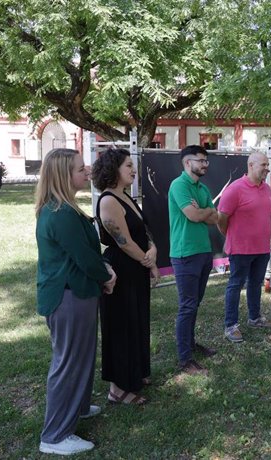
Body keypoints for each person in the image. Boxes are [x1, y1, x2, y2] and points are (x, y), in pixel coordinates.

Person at [35, 148, 117, 455]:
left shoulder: (62, 208)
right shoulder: (61, 213)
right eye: (81, 169)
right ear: (63, 175)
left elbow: (84, 253)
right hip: (68, 296)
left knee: (80, 356)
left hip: (76, 292)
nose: (87, 172)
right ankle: (55, 436)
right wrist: (106, 275)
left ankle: (77, 407)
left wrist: (101, 271)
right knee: (68, 362)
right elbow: (85, 257)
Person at [92, 148, 159, 405]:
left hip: (136, 266)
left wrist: (152, 251)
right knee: (121, 326)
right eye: (128, 165)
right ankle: (117, 388)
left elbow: (143, 230)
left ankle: (135, 373)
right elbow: (124, 242)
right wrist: (148, 259)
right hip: (121, 269)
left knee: (137, 322)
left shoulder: (126, 196)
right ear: (114, 170)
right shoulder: (109, 200)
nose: (133, 169)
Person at [168, 145, 219, 375]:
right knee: (187, 306)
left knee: (194, 304)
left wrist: (205, 211)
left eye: (207, 161)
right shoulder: (179, 185)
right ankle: (185, 360)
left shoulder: (202, 188)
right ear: (187, 163)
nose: (205, 165)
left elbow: (213, 217)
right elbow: (193, 215)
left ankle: (190, 344)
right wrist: (204, 212)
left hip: (203, 252)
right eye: (201, 160)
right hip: (185, 254)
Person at [217, 153, 271, 342]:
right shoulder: (235, 189)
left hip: (262, 248)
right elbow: (221, 219)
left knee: (256, 284)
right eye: (263, 164)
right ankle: (230, 326)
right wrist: (232, 236)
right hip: (240, 249)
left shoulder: (266, 188)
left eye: (268, 164)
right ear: (251, 165)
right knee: (235, 285)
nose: (267, 168)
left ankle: (254, 318)